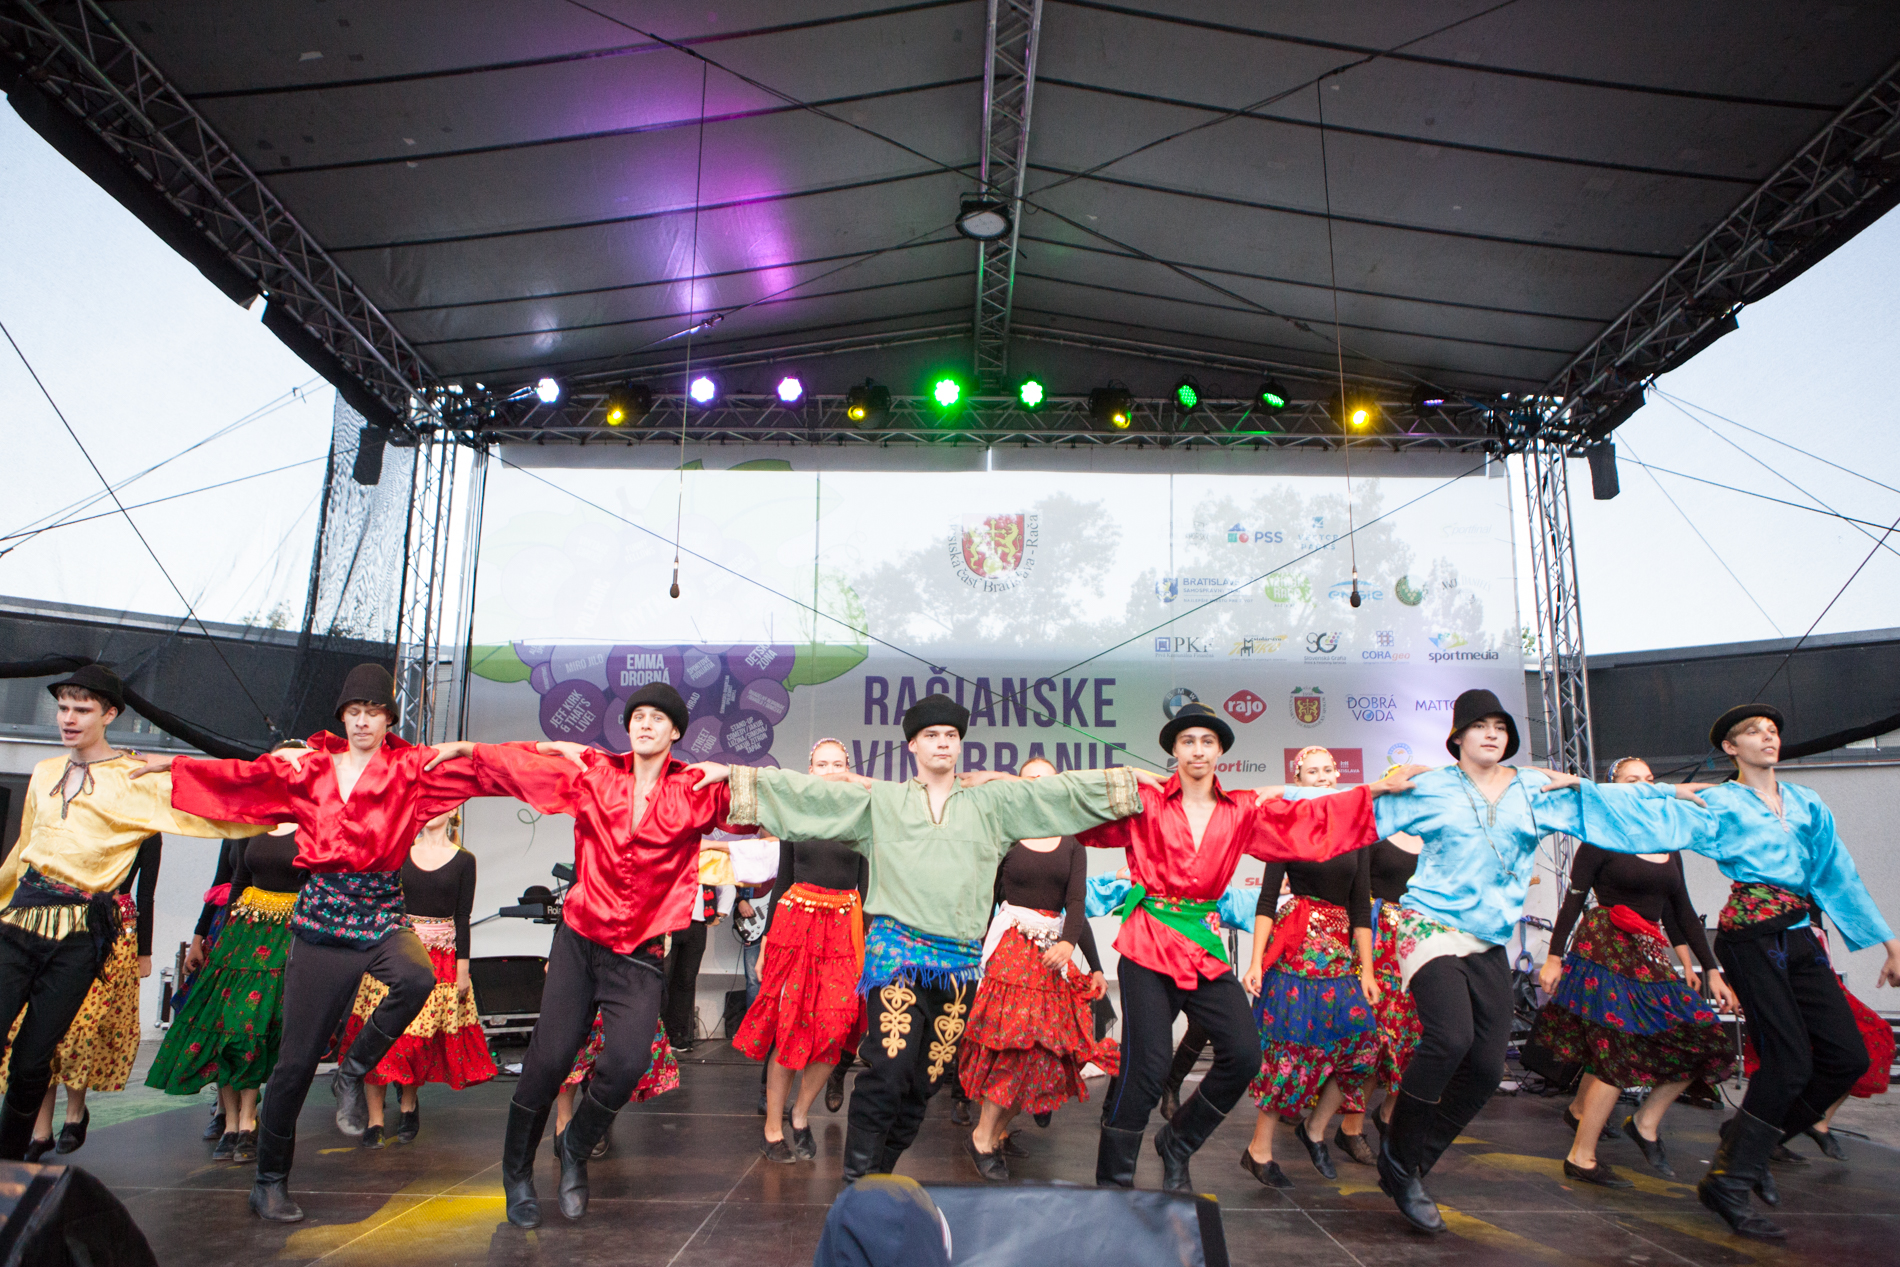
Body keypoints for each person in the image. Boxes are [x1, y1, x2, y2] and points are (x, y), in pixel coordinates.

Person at [690, 693, 1156, 1183]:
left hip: (958, 965)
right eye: (931, 735)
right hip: (897, 955)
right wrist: (732, 775)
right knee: (888, 1071)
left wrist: (1125, 782)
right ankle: (857, 1184)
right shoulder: (882, 802)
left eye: (951, 735)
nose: (942, 743)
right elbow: (808, 795)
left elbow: (1054, 794)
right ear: (913, 745)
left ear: (960, 745)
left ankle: (880, 1178)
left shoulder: (992, 805)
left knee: (923, 1086)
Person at [1364, 688, 1723, 1235]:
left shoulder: (1533, 787)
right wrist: (1371, 787)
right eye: (1479, 725)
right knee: (1450, 1038)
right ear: (1457, 737)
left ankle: (1408, 1162)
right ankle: (1400, 1161)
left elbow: (1604, 806)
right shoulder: (1430, 785)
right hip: (1429, 925)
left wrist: (1669, 793)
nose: (1492, 733)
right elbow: (1347, 818)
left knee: (1487, 1070)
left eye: (1500, 726)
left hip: (1488, 937)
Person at [137, 663, 486, 1222]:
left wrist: (475, 748)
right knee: (294, 1064)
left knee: (417, 976)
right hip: (322, 921)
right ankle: (269, 1181)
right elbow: (242, 779)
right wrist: (174, 766)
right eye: (355, 712)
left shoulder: (407, 770)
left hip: (380, 915)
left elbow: (486, 773)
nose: (363, 721)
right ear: (343, 717)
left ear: (389, 720)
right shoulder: (311, 769)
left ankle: (353, 1069)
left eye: (374, 712)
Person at [1582, 705, 1900, 1241]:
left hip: (1799, 936)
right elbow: (1644, 816)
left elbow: (1838, 874)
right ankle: (1730, 1180)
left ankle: (1747, 1138)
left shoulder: (1807, 803)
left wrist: (1890, 944)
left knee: (1847, 1056)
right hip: (1751, 937)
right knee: (1788, 1062)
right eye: (1754, 732)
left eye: (1773, 731)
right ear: (1731, 747)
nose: (1768, 738)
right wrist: (1613, 789)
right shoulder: (1719, 801)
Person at [434, 681, 745, 1229]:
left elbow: (761, 813)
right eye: (638, 716)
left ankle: (575, 1147)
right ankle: (517, 1173)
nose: (645, 723)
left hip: (640, 953)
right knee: (547, 1061)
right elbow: (518, 768)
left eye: (657, 718)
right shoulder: (594, 775)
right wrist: (465, 748)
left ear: (675, 731)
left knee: (627, 1062)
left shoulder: (696, 790)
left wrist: (734, 774)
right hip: (580, 942)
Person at [1078, 703, 1416, 1193]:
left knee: (1243, 1054)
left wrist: (1378, 789)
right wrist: (1115, 779)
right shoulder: (1145, 801)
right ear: (1174, 750)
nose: (1198, 750)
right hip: (1148, 944)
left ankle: (1178, 1142)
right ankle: (1114, 1185)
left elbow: (1312, 818)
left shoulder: (1240, 810)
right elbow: (1075, 810)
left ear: (1220, 751)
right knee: (1146, 1069)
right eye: (1188, 741)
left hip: (1202, 945)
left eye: (1207, 741)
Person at [0, 665, 268, 1162]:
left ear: (109, 714)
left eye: (82, 709)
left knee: (34, 1058)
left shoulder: (134, 778)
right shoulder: (43, 772)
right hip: (22, 920)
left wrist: (290, 801)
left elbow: (215, 815)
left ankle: (9, 1162)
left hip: (81, 934)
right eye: (63, 708)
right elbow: (23, 850)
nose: (68, 718)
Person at [1530, 755, 1737, 1188]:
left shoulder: (1669, 842)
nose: (1643, 786)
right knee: (1618, 1046)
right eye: (1631, 780)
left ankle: (1641, 1122)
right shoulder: (1600, 838)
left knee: (1703, 1035)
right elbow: (1572, 900)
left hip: (1647, 952)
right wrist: (1554, 956)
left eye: (1649, 779)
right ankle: (1581, 1156)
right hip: (1604, 947)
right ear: (1613, 789)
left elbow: (1682, 912)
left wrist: (1710, 968)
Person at [959, 756, 1112, 1181]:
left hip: (1051, 957)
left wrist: (1085, 958)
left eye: (1046, 781)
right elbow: (984, 900)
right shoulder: (1006, 838)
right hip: (1010, 954)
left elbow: (1076, 905)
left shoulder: (1073, 845)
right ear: (1018, 788)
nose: (1038, 787)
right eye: (1030, 781)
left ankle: (996, 1132)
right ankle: (983, 1137)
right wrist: (969, 951)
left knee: (1044, 1057)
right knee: (1012, 1046)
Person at [1238, 746, 1377, 1189]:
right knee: (1289, 1055)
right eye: (1311, 772)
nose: (1321, 777)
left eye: (1327, 770)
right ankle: (1259, 1150)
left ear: (1338, 774)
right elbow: (1266, 901)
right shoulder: (1286, 823)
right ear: (1297, 779)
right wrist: (1255, 962)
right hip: (1295, 954)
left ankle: (1315, 1128)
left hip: (1338, 956)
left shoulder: (1357, 827)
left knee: (1364, 1047)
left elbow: (1360, 907)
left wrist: (1368, 971)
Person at [733, 739, 870, 1163]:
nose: (829, 770)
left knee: (835, 1028)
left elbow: (867, 887)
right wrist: (766, 942)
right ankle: (773, 1128)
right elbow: (782, 882)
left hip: (844, 928)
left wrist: (869, 943)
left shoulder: (863, 814)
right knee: (789, 1026)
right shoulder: (795, 812)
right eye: (821, 764)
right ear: (810, 770)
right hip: (796, 924)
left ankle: (800, 1113)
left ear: (849, 768)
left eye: (837, 764)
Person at [145, 817, 306, 1163]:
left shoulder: (311, 824)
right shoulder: (248, 825)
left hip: (287, 936)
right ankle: (231, 1123)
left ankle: (248, 1119)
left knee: (255, 1026)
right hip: (243, 931)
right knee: (223, 1024)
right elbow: (236, 880)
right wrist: (216, 938)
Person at [340, 810, 496, 1147]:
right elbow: (382, 905)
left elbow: (463, 915)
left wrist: (463, 968)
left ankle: (408, 1105)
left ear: (453, 811)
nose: (434, 810)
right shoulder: (399, 853)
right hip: (397, 952)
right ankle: (375, 1119)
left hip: (438, 959)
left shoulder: (464, 860)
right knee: (379, 1034)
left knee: (415, 1040)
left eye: (441, 804)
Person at [4, 832, 159, 1160]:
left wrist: (144, 952)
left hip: (108, 935)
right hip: (45, 923)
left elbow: (146, 894)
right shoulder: (68, 815)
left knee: (81, 1030)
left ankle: (75, 1113)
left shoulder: (146, 829)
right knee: (37, 1037)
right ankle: (41, 1130)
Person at [1336, 824, 1424, 1161]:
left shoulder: (1435, 834)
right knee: (1378, 1037)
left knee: (1415, 1036)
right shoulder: (1377, 831)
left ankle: (1388, 1113)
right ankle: (1351, 1128)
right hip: (1378, 940)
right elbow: (1354, 892)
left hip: (1418, 940)